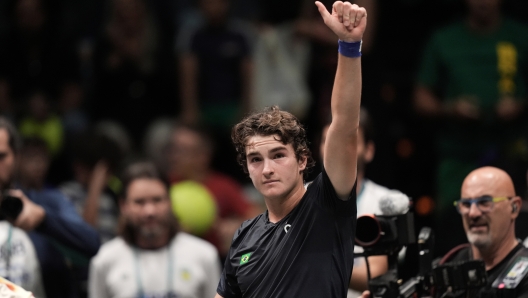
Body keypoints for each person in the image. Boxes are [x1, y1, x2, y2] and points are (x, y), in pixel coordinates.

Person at [215, 1, 366, 297]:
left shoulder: (326, 204)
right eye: (255, 159)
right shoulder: (244, 237)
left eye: (278, 155)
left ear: (302, 160)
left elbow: (344, 127)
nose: (267, 168)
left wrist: (349, 46)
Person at [413, 0, 528, 257]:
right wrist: (450, 109)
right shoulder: (444, 39)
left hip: (515, 154)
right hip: (459, 157)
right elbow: (420, 97)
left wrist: (520, 105)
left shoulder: (521, 35)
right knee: (456, 229)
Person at [358, 166, 528, 298]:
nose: (473, 213)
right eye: (466, 204)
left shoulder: (524, 272)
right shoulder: (447, 266)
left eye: (485, 202)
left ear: (514, 207)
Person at [0, 116, 101, 298]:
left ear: (16, 156)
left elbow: (93, 247)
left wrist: (44, 222)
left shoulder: (47, 203)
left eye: (1, 156)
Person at [88, 161, 221, 298]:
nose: (150, 211)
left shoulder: (204, 255)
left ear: (169, 201)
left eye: (157, 200)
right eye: (139, 202)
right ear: (123, 206)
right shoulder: (105, 259)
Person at [319, 108, 412, 296]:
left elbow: (376, 275)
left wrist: (314, 263)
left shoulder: (388, 203)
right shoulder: (300, 197)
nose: (336, 148)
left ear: (369, 151)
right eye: (328, 140)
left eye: (348, 141)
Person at [167, 123, 261, 259]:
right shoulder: (164, 185)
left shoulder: (223, 186)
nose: (174, 157)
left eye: (182, 151)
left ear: (203, 156)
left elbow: (259, 218)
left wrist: (237, 226)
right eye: (172, 149)